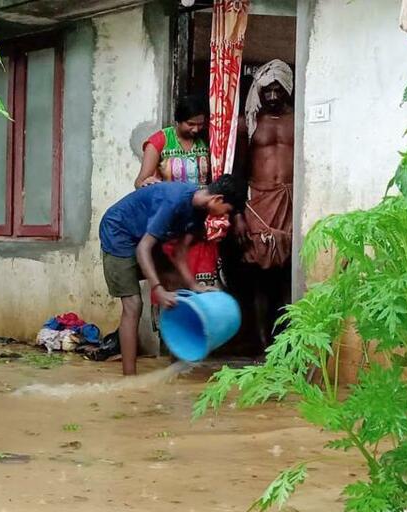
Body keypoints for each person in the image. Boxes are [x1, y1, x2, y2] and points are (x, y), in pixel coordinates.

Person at [99, 175, 247, 376]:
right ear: (217, 200)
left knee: (177, 285)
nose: (226, 218)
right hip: (118, 233)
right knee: (133, 305)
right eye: (227, 212)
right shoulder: (174, 201)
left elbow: (179, 253)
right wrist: (157, 289)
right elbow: (144, 249)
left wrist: (195, 286)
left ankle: (178, 362)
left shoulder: (199, 211)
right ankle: (129, 378)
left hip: (143, 235)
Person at [233, 59, 295, 351]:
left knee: (287, 274)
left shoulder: (300, 118)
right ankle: (260, 343)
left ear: (287, 89)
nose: (271, 96)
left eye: (277, 90)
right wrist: (237, 214)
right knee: (258, 274)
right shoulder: (249, 123)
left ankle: (286, 342)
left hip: (290, 201)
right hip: (258, 201)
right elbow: (238, 170)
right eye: (266, 90)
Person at [135, 95, 226, 291]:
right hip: (170, 225)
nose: (196, 129)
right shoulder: (160, 141)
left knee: (205, 285)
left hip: (198, 225)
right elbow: (140, 181)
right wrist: (148, 183)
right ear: (178, 120)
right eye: (190, 124)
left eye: (200, 124)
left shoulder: (208, 141)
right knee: (173, 288)